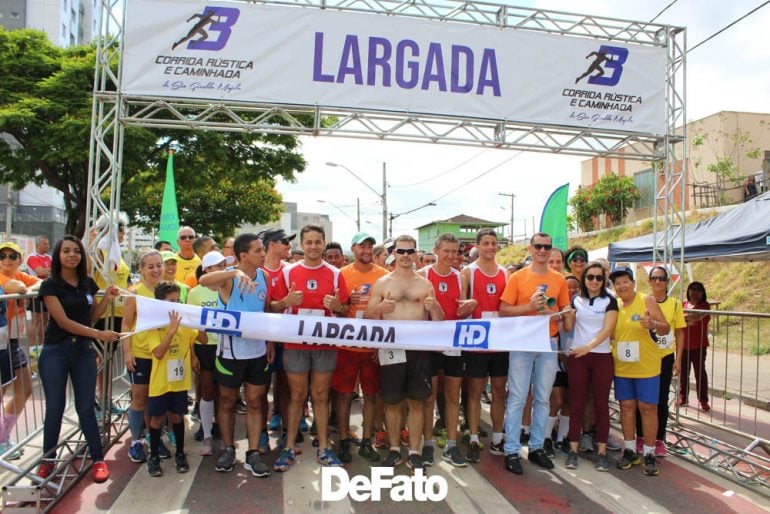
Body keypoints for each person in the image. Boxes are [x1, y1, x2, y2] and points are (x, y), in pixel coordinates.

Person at [36, 235, 120, 482]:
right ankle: (47, 462)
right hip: (56, 351)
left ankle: (98, 459)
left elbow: (91, 317)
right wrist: (99, 335)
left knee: (86, 406)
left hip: (83, 351)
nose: (72, 255)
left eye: (76, 251)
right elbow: (63, 322)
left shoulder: (88, 284)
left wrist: (106, 299)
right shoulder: (50, 285)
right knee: (55, 408)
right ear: (58, 256)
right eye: (66, 251)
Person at [270, 224, 349, 472]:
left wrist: (337, 306)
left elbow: (345, 310)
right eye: (309, 242)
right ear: (301, 245)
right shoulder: (288, 272)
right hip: (295, 344)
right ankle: (288, 447)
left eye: (318, 242)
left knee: (321, 395)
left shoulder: (336, 274)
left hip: (325, 343)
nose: (313, 246)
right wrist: (285, 302)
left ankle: (324, 448)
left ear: (324, 243)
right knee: (296, 395)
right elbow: (272, 308)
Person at [365, 234, 444, 471]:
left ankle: (415, 451)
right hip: (391, 348)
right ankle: (393, 449)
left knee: (417, 402)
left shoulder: (425, 284)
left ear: (416, 253)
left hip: (418, 350)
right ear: (394, 253)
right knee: (392, 401)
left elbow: (439, 321)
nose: (406, 256)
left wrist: (436, 307)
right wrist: (380, 307)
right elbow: (368, 317)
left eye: (411, 251)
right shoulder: (382, 283)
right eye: (401, 251)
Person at [198, 233, 274, 477]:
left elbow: (265, 311)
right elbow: (203, 280)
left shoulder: (265, 276)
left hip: (258, 351)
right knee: (228, 401)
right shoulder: (227, 278)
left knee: (254, 401)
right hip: (230, 352)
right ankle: (229, 448)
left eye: (263, 250)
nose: (263, 254)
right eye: (258, 250)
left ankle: (252, 452)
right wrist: (233, 272)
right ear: (243, 255)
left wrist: (284, 304)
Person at [499, 232, 571, 475]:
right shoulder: (517, 277)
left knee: (543, 397)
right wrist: (529, 308)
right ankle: (511, 449)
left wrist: (560, 314)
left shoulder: (559, 279)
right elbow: (503, 310)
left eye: (547, 247)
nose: (543, 250)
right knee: (518, 397)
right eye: (538, 246)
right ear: (530, 249)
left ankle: (537, 447)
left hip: (548, 342)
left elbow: (563, 310)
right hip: (521, 342)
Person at [421, 233, 477, 468]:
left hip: (454, 343)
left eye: (455, 251)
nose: (451, 256)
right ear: (436, 250)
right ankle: (427, 444)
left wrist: (471, 306)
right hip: (429, 343)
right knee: (429, 396)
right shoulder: (423, 275)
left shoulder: (459, 277)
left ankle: (451, 445)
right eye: (446, 251)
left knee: (452, 395)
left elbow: (461, 309)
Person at [609, 267, 669, 477]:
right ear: (613, 287)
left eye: (625, 282)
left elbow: (665, 328)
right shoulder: (613, 305)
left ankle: (650, 453)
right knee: (626, 407)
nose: (622, 286)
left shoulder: (646, 300)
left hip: (647, 365)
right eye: (617, 283)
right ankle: (630, 449)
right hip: (623, 366)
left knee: (648, 408)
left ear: (633, 282)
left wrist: (653, 323)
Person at [334, 232, 388, 463]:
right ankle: (344, 440)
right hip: (346, 346)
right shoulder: (342, 274)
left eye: (369, 246)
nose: (366, 250)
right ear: (353, 249)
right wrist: (346, 304)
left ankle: (367, 440)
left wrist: (381, 344)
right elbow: (335, 309)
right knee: (344, 395)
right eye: (361, 246)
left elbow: (388, 311)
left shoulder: (385, 276)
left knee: (371, 396)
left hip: (373, 345)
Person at [564, 262, 618, 472]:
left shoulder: (610, 301)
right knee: (576, 405)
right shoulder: (575, 299)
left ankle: (602, 452)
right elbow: (569, 328)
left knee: (601, 406)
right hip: (578, 357)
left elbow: (608, 329)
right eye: (590, 277)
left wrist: (589, 347)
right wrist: (568, 317)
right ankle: (573, 450)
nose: (594, 281)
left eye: (598, 277)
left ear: (604, 280)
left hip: (601, 357)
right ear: (583, 279)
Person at [461, 228, 508, 463]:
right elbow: (459, 308)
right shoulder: (468, 272)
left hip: (500, 343)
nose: (490, 247)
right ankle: (473, 436)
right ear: (477, 246)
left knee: (499, 390)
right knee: (475, 391)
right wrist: (466, 306)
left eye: (493, 243)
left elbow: (509, 307)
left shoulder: (506, 273)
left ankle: (498, 436)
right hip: (476, 342)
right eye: (486, 243)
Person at [121, 249, 172, 463]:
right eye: (150, 266)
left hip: (164, 355)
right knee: (140, 400)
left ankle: (154, 438)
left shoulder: (169, 290)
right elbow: (125, 323)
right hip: (142, 354)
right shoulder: (135, 293)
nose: (156, 270)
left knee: (158, 400)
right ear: (141, 270)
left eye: (158, 265)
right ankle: (135, 441)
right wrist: (127, 351)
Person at [145, 282, 200, 477]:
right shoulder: (153, 326)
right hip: (160, 381)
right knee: (158, 418)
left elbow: (199, 338)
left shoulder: (184, 323)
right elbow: (158, 353)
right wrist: (172, 330)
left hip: (179, 381)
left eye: (178, 301)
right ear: (160, 304)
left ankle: (180, 454)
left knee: (177, 416)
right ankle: (153, 457)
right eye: (171, 302)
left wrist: (200, 321)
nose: (176, 305)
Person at [637, 266, 686, 458]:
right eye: (654, 278)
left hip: (665, 357)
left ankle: (659, 439)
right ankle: (640, 437)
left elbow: (680, 332)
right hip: (644, 357)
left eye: (661, 278)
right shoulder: (642, 301)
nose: (657, 282)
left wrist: (679, 359)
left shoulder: (674, 304)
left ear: (667, 282)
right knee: (644, 400)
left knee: (661, 399)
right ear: (649, 281)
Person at [0, 241, 41, 450]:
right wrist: (26, 289)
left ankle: (2, 437)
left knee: (24, 388)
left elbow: (42, 283)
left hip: (12, 340)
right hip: (2, 341)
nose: (6, 259)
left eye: (12, 256)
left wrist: (29, 288)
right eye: (2, 256)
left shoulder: (18, 275)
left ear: (20, 260)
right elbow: (16, 288)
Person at [186, 251, 227, 456]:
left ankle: (220, 427)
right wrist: (192, 354)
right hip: (205, 347)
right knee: (207, 390)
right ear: (206, 270)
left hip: (227, 346)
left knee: (226, 392)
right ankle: (207, 433)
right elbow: (191, 326)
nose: (221, 269)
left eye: (223, 265)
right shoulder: (195, 293)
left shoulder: (229, 287)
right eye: (217, 266)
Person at [260, 229, 297, 448]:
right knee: (260, 389)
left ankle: (285, 430)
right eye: (285, 242)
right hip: (261, 339)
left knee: (285, 387)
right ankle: (262, 432)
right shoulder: (256, 271)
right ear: (271, 244)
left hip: (287, 338)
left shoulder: (291, 271)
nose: (289, 246)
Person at [682, 282, 711, 411]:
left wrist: (687, 318)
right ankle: (683, 397)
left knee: (700, 373)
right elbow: (678, 319)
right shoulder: (683, 305)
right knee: (683, 373)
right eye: (692, 289)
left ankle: (703, 400)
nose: (694, 292)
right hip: (683, 345)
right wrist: (689, 319)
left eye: (698, 290)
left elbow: (697, 316)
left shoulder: (705, 305)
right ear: (688, 291)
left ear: (702, 292)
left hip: (699, 345)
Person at [26, 235, 52, 348]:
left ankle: (41, 345)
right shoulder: (32, 257)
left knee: (45, 319)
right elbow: (40, 271)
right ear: (38, 245)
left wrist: (47, 271)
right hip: (36, 292)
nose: (48, 246)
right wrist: (47, 271)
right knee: (36, 319)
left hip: (47, 292)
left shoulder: (49, 257)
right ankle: (32, 347)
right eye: (45, 244)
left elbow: (56, 271)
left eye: (48, 243)